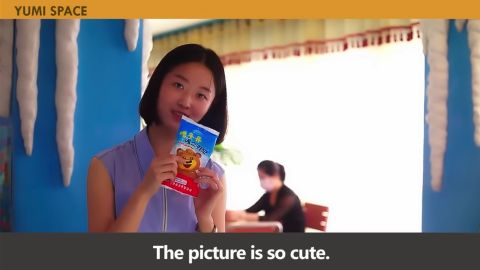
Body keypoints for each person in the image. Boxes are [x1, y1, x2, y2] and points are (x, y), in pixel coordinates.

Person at [87, 44, 228, 233]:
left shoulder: (214, 177)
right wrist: (143, 192)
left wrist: (204, 218)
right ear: (158, 84)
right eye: (178, 85)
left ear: (212, 105)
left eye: (201, 95)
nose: (185, 102)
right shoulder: (105, 166)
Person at [226, 160, 305, 232]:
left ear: (275, 175)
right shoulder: (268, 195)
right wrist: (235, 214)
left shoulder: (289, 197)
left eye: (263, 177)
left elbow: (271, 219)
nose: (261, 181)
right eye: (260, 178)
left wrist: (242, 216)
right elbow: (252, 210)